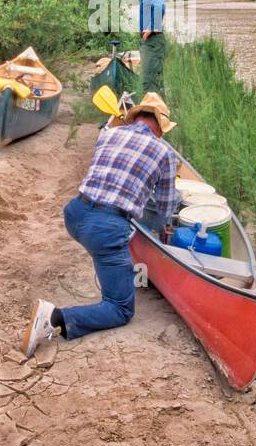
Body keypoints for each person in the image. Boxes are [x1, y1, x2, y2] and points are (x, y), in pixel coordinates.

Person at [23, 92, 180, 356]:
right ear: (159, 127)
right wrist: (161, 226)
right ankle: (54, 317)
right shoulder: (164, 152)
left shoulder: (108, 133)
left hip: (75, 214)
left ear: (135, 117)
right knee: (121, 308)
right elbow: (164, 207)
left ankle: (116, 267)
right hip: (104, 229)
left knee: (111, 247)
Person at [130, 0, 166, 95]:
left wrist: (150, 29)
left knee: (149, 81)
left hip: (153, 41)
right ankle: (159, 109)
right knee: (155, 79)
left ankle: (150, 110)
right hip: (153, 41)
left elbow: (160, 6)